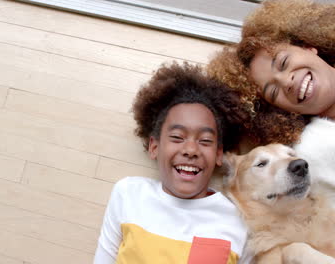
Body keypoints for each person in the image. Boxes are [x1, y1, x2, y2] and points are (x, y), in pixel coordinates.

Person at [207, 0, 335, 251]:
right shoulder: (315, 156)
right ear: (281, 110)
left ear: (309, 47)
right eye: (273, 91)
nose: (287, 81)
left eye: (283, 62)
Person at [93, 62, 253, 264]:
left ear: (218, 154)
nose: (191, 150)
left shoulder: (239, 222)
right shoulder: (128, 194)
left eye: (205, 141)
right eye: (177, 137)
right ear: (154, 147)